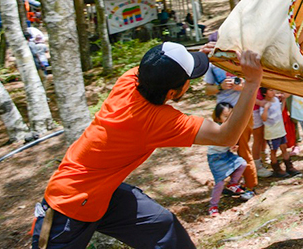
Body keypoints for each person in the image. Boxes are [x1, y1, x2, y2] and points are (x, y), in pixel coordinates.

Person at [31, 41, 263, 248]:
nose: (190, 84)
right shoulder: (154, 121)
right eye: (189, 80)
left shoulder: (131, 79)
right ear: (172, 92)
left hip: (104, 191)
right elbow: (225, 136)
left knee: (165, 229)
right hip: (69, 203)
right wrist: (252, 83)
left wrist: (198, 57)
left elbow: (165, 66)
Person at [203, 63, 258, 191]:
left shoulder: (240, 59)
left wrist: (242, 86)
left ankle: (250, 187)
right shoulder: (212, 64)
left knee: (243, 149)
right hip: (222, 114)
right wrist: (220, 87)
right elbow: (207, 90)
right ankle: (234, 183)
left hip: (242, 111)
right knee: (224, 150)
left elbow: (257, 82)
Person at [207, 103, 254, 217]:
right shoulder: (216, 127)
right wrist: (230, 144)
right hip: (215, 158)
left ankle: (233, 184)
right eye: (225, 117)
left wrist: (232, 146)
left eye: (231, 116)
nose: (229, 120)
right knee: (219, 182)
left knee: (242, 163)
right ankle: (213, 206)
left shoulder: (232, 127)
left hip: (225, 154)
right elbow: (221, 140)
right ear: (218, 118)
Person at [260, 88, 301, 178]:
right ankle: (277, 169)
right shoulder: (263, 104)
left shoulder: (275, 100)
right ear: (264, 93)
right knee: (273, 151)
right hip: (271, 132)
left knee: (284, 148)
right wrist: (266, 108)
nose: (273, 92)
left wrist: (284, 100)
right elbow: (263, 118)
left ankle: (289, 167)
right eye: (270, 90)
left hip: (280, 130)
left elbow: (281, 110)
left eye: (273, 90)